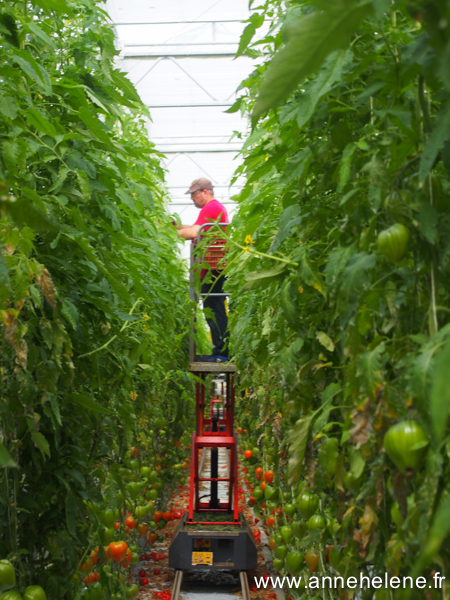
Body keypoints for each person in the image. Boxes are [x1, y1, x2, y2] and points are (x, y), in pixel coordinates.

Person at [175, 178, 229, 363]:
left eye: (194, 194)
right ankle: (221, 350)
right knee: (213, 307)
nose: (192, 198)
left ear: (205, 192)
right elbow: (195, 228)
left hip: (213, 267)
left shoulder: (211, 208)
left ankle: (222, 352)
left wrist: (171, 233)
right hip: (214, 266)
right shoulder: (215, 208)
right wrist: (179, 227)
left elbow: (194, 233)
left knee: (214, 309)